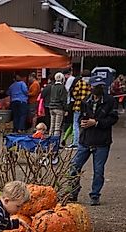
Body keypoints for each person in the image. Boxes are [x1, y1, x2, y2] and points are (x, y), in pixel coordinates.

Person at [69, 75, 118, 206]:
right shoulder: (86, 101)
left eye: (100, 86)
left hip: (102, 141)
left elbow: (113, 119)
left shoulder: (110, 101)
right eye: (95, 86)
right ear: (90, 87)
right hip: (85, 140)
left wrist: (96, 123)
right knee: (74, 167)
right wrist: (83, 123)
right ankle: (73, 191)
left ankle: (95, 195)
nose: (97, 89)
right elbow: (80, 117)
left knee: (98, 170)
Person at [69, 70, 92, 148]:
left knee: (76, 124)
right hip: (89, 107)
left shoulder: (80, 82)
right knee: (87, 123)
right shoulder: (91, 83)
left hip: (78, 105)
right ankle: (87, 140)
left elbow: (74, 93)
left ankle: (76, 142)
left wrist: (78, 98)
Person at [47, 72, 69, 140]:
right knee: (57, 126)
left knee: (52, 125)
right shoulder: (62, 87)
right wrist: (66, 109)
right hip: (59, 108)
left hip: (51, 107)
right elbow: (63, 99)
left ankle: (49, 140)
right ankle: (55, 142)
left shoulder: (52, 86)